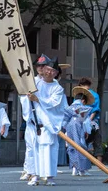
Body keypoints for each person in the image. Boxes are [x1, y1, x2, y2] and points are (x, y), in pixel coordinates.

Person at [27, 57, 68, 186]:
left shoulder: (58, 88)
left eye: (52, 71)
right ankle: (35, 176)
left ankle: (49, 177)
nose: (49, 72)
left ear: (56, 73)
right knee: (35, 150)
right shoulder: (35, 83)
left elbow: (52, 104)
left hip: (49, 125)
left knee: (50, 151)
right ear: (43, 70)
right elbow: (26, 97)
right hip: (35, 124)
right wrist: (28, 97)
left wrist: (37, 98)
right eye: (47, 69)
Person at [19, 54, 49, 181]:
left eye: (43, 66)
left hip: (45, 122)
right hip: (32, 121)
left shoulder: (51, 83)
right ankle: (29, 170)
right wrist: (28, 97)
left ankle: (43, 172)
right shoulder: (32, 81)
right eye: (39, 66)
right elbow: (23, 99)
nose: (40, 68)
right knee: (30, 147)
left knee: (44, 149)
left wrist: (37, 99)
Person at [62, 86, 93, 176]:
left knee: (71, 147)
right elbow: (86, 121)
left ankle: (74, 168)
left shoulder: (68, 108)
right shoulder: (84, 108)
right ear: (83, 100)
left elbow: (64, 120)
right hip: (79, 126)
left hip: (69, 126)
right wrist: (88, 131)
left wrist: (66, 129)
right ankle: (82, 170)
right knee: (81, 146)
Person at [78, 77, 102, 163]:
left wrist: (87, 121)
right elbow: (95, 110)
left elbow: (95, 110)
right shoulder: (80, 95)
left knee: (83, 142)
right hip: (89, 121)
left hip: (86, 121)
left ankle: (82, 163)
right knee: (96, 142)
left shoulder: (80, 95)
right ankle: (98, 163)